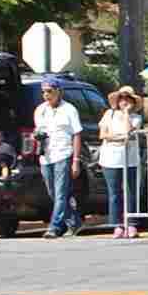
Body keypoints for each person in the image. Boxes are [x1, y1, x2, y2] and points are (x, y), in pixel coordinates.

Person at [35, 80, 87, 239]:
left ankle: (54, 226)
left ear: (59, 91)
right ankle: (75, 221)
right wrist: (36, 136)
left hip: (63, 155)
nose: (46, 95)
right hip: (46, 156)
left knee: (60, 194)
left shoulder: (69, 109)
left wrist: (76, 160)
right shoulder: (40, 110)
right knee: (53, 192)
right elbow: (37, 131)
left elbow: (77, 134)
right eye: (43, 91)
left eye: (49, 91)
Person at [99, 86, 142, 239]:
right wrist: (117, 137)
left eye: (127, 99)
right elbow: (103, 134)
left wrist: (125, 114)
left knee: (130, 191)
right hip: (110, 157)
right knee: (114, 192)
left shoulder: (135, 117)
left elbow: (129, 132)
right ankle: (117, 225)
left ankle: (131, 224)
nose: (124, 101)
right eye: (121, 98)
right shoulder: (108, 114)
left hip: (129, 158)